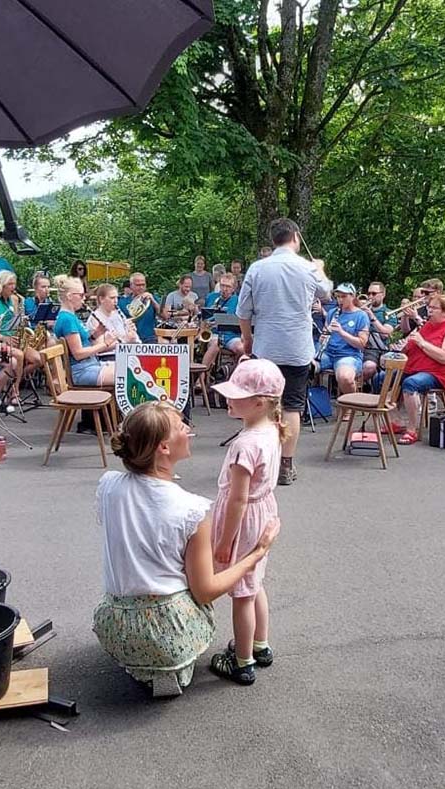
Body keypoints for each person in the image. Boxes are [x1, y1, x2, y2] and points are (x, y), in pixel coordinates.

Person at [93, 401, 280, 696]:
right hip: (168, 635)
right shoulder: (191, 508)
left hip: (114, 626)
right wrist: (257, 552)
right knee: (202, 592)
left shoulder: (108, 486)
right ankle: (170, 666)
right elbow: (206, 590)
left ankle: (140, 661)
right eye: (181, 427)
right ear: (163, 448)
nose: (188, 430)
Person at [205, 359, 287, 685]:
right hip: (263, 511)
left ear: (259, 402)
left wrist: (225, 541)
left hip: (244, 518)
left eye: (237, 395)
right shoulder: (270, 430)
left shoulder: (245, 445)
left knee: (241, 592)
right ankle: (259, 643)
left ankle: (242, 661)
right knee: (254, 584)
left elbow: (238, 499)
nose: (229, 398)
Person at [237, 217, 333, 485]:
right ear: (295, 237)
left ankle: (259, 460)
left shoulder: (257, 269)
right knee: (292, 405)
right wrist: (321, 268)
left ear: (273, 239)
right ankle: (285, 466)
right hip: (297, 348)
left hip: (266, 346)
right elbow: (326, 292)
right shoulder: (306, 267)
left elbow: (243, 312)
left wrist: (248, 340)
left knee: (263, 403)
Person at [380, 292, 445, 444]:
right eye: (429, 307)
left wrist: (422, 343)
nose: (429, 311)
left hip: (437, 373)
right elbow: (413, 348)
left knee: (411, 383)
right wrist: (402, 347)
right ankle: (396, 421)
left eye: (434, 308)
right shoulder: (426, 326)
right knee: (382, 378)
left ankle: (412, 429)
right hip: (415, 367)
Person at [0, 270, 33, 405]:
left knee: (33, 356)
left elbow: (13, 321)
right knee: (19, 355)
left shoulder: (14, 299)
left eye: (14, 283)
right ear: (1, 285)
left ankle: (11, 389)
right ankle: (14, 392)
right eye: (10, 284)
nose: (13, 287)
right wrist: (2, 337)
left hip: (10, 338)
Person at [54, 275, 117, 387]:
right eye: (81, 295)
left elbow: (82, 342)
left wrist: (96, 334)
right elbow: (78, 354)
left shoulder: (70, 316)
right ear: (69, 296)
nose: (84, 299)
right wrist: (105, 343)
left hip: (91, 365)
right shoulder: (67, 319)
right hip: (82, 371)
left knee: (128, 368)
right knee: (127, 375)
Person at [316, 283, 370, 395]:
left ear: (353, 296)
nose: (340, 300)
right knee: (304, 367)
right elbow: (326, 333)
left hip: (349, 355)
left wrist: (341, 332)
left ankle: (350, 407)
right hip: (328, 353)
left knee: (345, 377)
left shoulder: (361, 316)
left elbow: (362, 344)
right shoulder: (332, 313)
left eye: (344, 296)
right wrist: (323, 337)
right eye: (338, 296)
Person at [200, 274, 244, 371]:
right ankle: (201, 378)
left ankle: (232, 371)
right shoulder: (211, 297)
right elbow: (203, 317)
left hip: (230, 335)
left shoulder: (238, 300)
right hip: (213, 333)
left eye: (228, 286)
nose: (224, 289)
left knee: (242, 349)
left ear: (233, 288)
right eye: (222, 285)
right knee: (214, 345)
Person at [360, 281, 398, 386]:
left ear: (383, 295)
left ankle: (356, 385)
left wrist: (371, 316)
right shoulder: (360, 311)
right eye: (369, 293)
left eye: (374, 293)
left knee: (369, 366)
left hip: (374, 349)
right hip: (357, 345)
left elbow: (385, 334)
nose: (370, 296)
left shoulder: (388, 313)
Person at [119, 272, 161, 344]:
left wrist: (153, 301)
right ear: (131, 286)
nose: (141, 287)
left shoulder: (152, 298)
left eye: (143, 285)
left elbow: (164, 315)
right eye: (138, 285)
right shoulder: (122, 302)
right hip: (130, 339)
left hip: (150, 338)